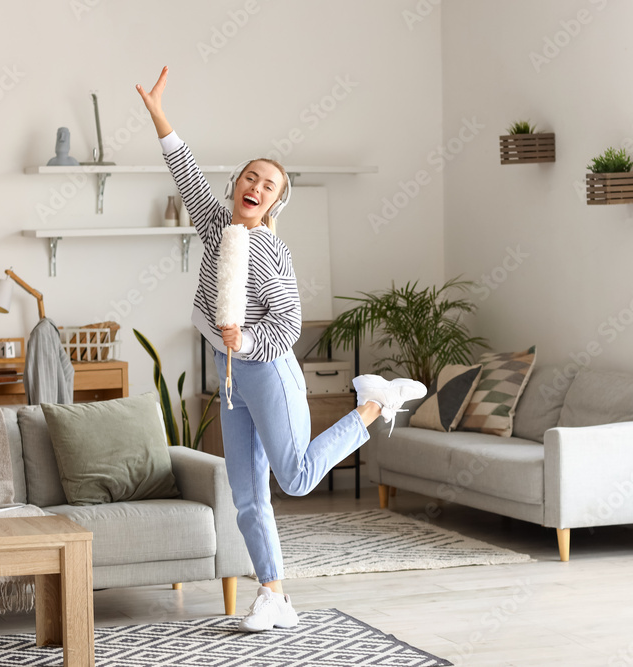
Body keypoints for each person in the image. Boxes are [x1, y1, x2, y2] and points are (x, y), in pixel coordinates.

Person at [136, 67, 427, 632]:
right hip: (230, 375)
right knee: (247, 494)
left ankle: (373, 401)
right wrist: (158, 114)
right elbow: (186, 172)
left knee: (293, 478)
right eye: (250, 177)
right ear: (236, 186)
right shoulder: (219, 225)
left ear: (275, 203)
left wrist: (243, 339)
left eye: (268, 184)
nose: (256, 186)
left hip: (268, 369)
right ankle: (273, 595)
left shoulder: (271, 252)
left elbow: (288, 326)